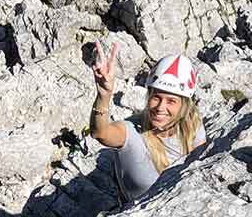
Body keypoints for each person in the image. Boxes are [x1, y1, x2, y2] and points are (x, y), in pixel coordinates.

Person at [88, 42, 207, 201]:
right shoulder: (131, 132)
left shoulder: (192, 125)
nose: (160, 107)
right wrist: (104, 95)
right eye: (156, 97)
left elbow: (199, 170)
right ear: (148, 96)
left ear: (183, 106)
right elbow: (100, 133)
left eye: (171, 101)